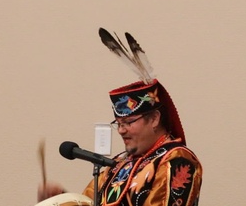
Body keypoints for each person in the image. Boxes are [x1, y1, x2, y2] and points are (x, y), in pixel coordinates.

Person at [37, 29, 203, 206]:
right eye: (119, 123)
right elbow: (90, 202)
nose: (122, 130)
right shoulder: (117, 164)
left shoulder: (176, 160)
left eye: (129, 122)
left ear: (154, 119)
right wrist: (61, 198)